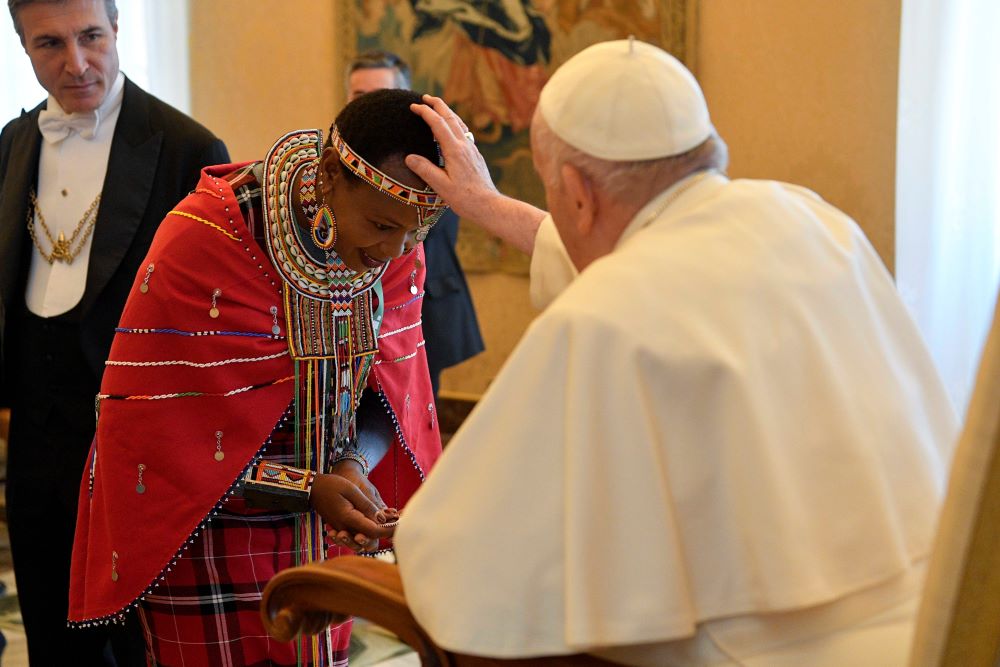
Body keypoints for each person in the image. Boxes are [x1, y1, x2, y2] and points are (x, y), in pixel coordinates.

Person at [388, 40, 960, 665]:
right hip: (940, 621)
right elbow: (633, 256)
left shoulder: (603, 315)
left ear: (577, 191)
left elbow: (458, 564)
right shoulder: (815, 224)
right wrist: (492, 207)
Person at [69, 88, 445, 666]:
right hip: (205, 532)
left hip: (323, 530)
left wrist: (352, 465)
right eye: (379, 224)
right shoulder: (210, 235)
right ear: (326, 176)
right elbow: (155, 435)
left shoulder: (394, 252)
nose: (392, 252)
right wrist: (307, 487)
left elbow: (388, 394)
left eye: (413, 234)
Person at [0, 0, 229, 663]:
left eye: (90, 36)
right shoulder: (12, 145)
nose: (75, 63)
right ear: (23, 47)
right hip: (36, 435)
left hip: (137, 442)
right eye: (49, 45)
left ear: (117, 27)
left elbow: (212, 321)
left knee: (131, 638)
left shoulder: (189, 148)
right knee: (47, 618)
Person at [347, 50, 483, 396]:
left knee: (419, 405)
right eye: (360, 96)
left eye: (381, 95)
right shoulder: (341, 156)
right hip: (352, 309)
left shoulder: (437, 155)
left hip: (423, 301)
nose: (371, 105)